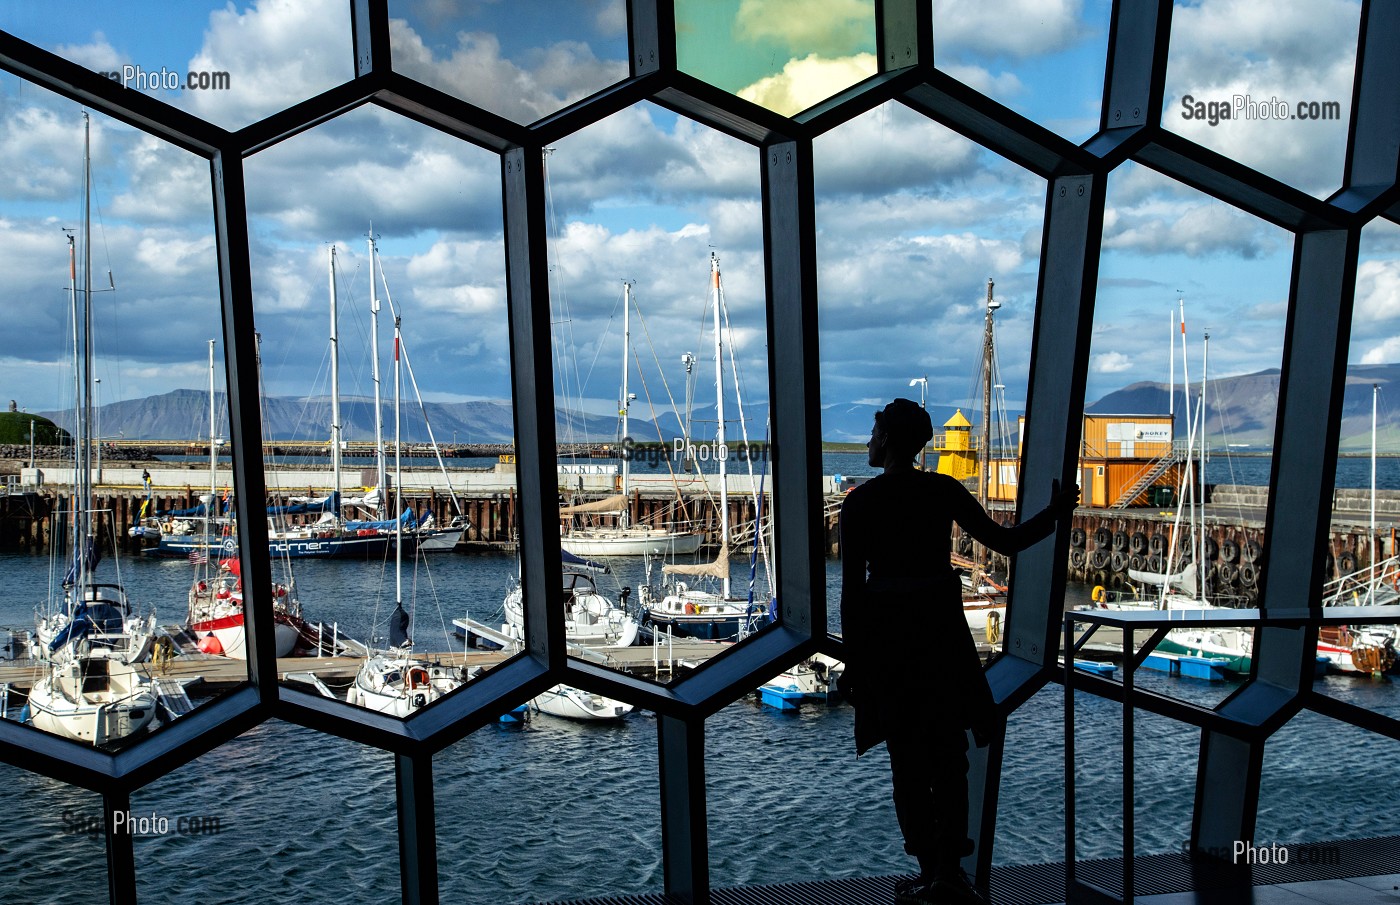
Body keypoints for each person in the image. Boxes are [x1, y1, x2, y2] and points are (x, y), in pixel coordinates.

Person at [839, 398, 1078, 905]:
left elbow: (852, 598)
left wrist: (854, 665)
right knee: (950, 759)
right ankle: (950, 871)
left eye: (875, 431)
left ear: (888, 441)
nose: (868, 440)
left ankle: (930, 870)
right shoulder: (942, 490)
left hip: (890, 649)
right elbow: (1007, 543)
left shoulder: (860, 504)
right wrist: (1056, 514)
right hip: (943, 643)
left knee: (906, 765)